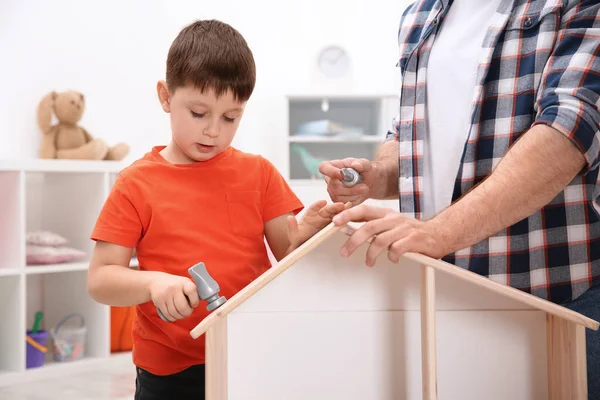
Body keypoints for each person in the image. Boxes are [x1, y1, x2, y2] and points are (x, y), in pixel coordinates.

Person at [319, 0, 600, 397]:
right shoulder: (419, 15)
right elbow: (410, 130)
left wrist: (438, 233)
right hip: (445, 300)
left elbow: (569, 131)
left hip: (559, 305)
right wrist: (380, 175)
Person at [87, 19, 347, 400]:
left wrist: (310, 230)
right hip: (169, 369)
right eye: (198, 113)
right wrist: (154, 283)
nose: (213, 131)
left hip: (250, 353)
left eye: (230, 118)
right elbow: (100, 279)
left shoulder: (258, 173)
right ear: (165, 96)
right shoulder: (135, 183)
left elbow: (287, 251)